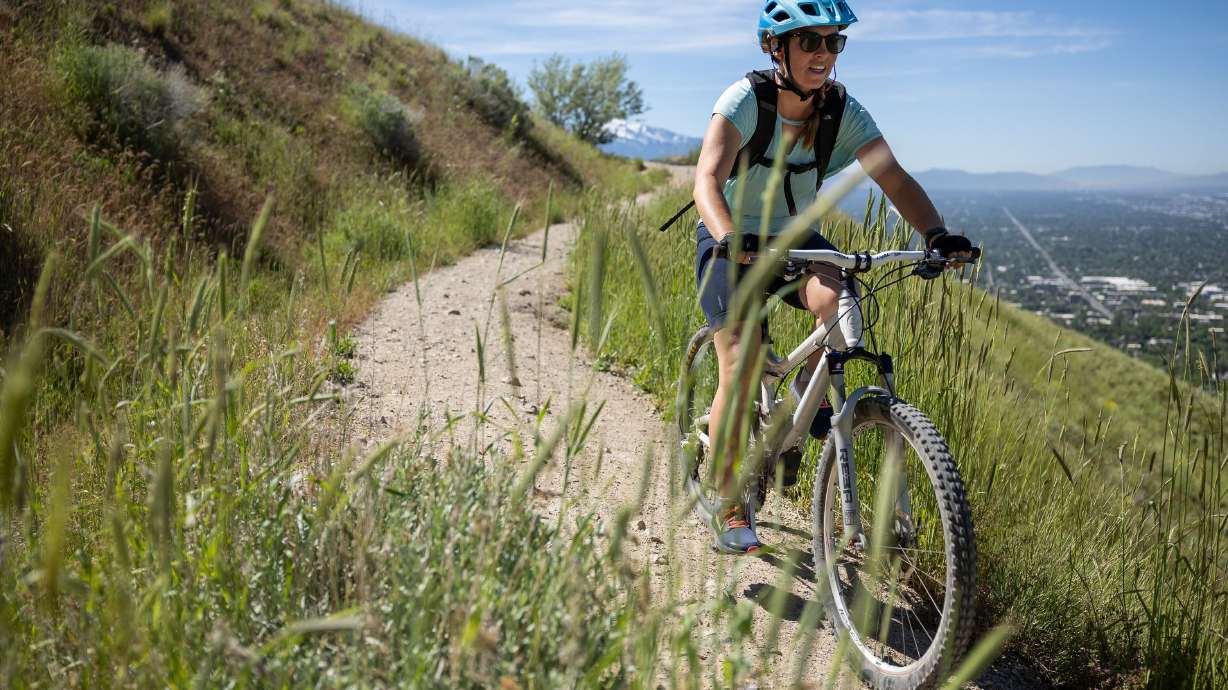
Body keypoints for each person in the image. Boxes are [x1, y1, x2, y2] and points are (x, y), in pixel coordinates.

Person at [692, 0, 975, 553]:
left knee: (842, 300)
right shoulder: (746, 101)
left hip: (795, 238)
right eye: (810, 41)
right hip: (730, 239)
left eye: (833, 42)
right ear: (778, 48)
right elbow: (706, 178)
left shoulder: (843, 112)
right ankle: (726, 497)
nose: (824, 53)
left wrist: (935, 234)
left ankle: (807, 394)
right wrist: (729, 235)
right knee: (741, 360)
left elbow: (892, 177)